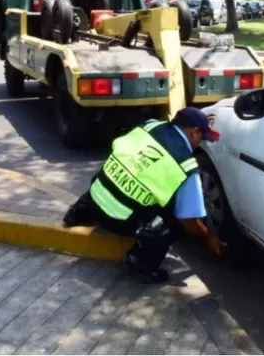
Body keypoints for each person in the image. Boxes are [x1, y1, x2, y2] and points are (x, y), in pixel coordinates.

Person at [63, 107, 227, 283]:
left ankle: (77, 212)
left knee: (121, 171)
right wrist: (208, 236)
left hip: (94, 198)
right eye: (202, 137)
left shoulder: (150, 127)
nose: (199, 143)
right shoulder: (186, 165)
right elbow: (188, 221)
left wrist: (200, 119)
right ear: (194, 132)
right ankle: (142, 262)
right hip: (119, 220)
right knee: (177, 216)